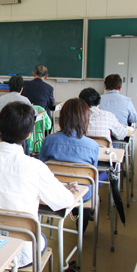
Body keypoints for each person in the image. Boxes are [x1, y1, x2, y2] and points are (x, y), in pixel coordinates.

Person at [0, 102, 74, 272]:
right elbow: (65, 201)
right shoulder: (35, 167)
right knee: (38, 238)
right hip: (22, 249)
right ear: (28, 134)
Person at [40, 98, 108, 231]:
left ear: (62, 117)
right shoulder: (92, 145)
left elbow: (42, 166)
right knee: (102, 175)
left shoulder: (49, 140)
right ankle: (82, 218)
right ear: (85, 119)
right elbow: (92, 174)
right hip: (82, 193)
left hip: (54, 190)